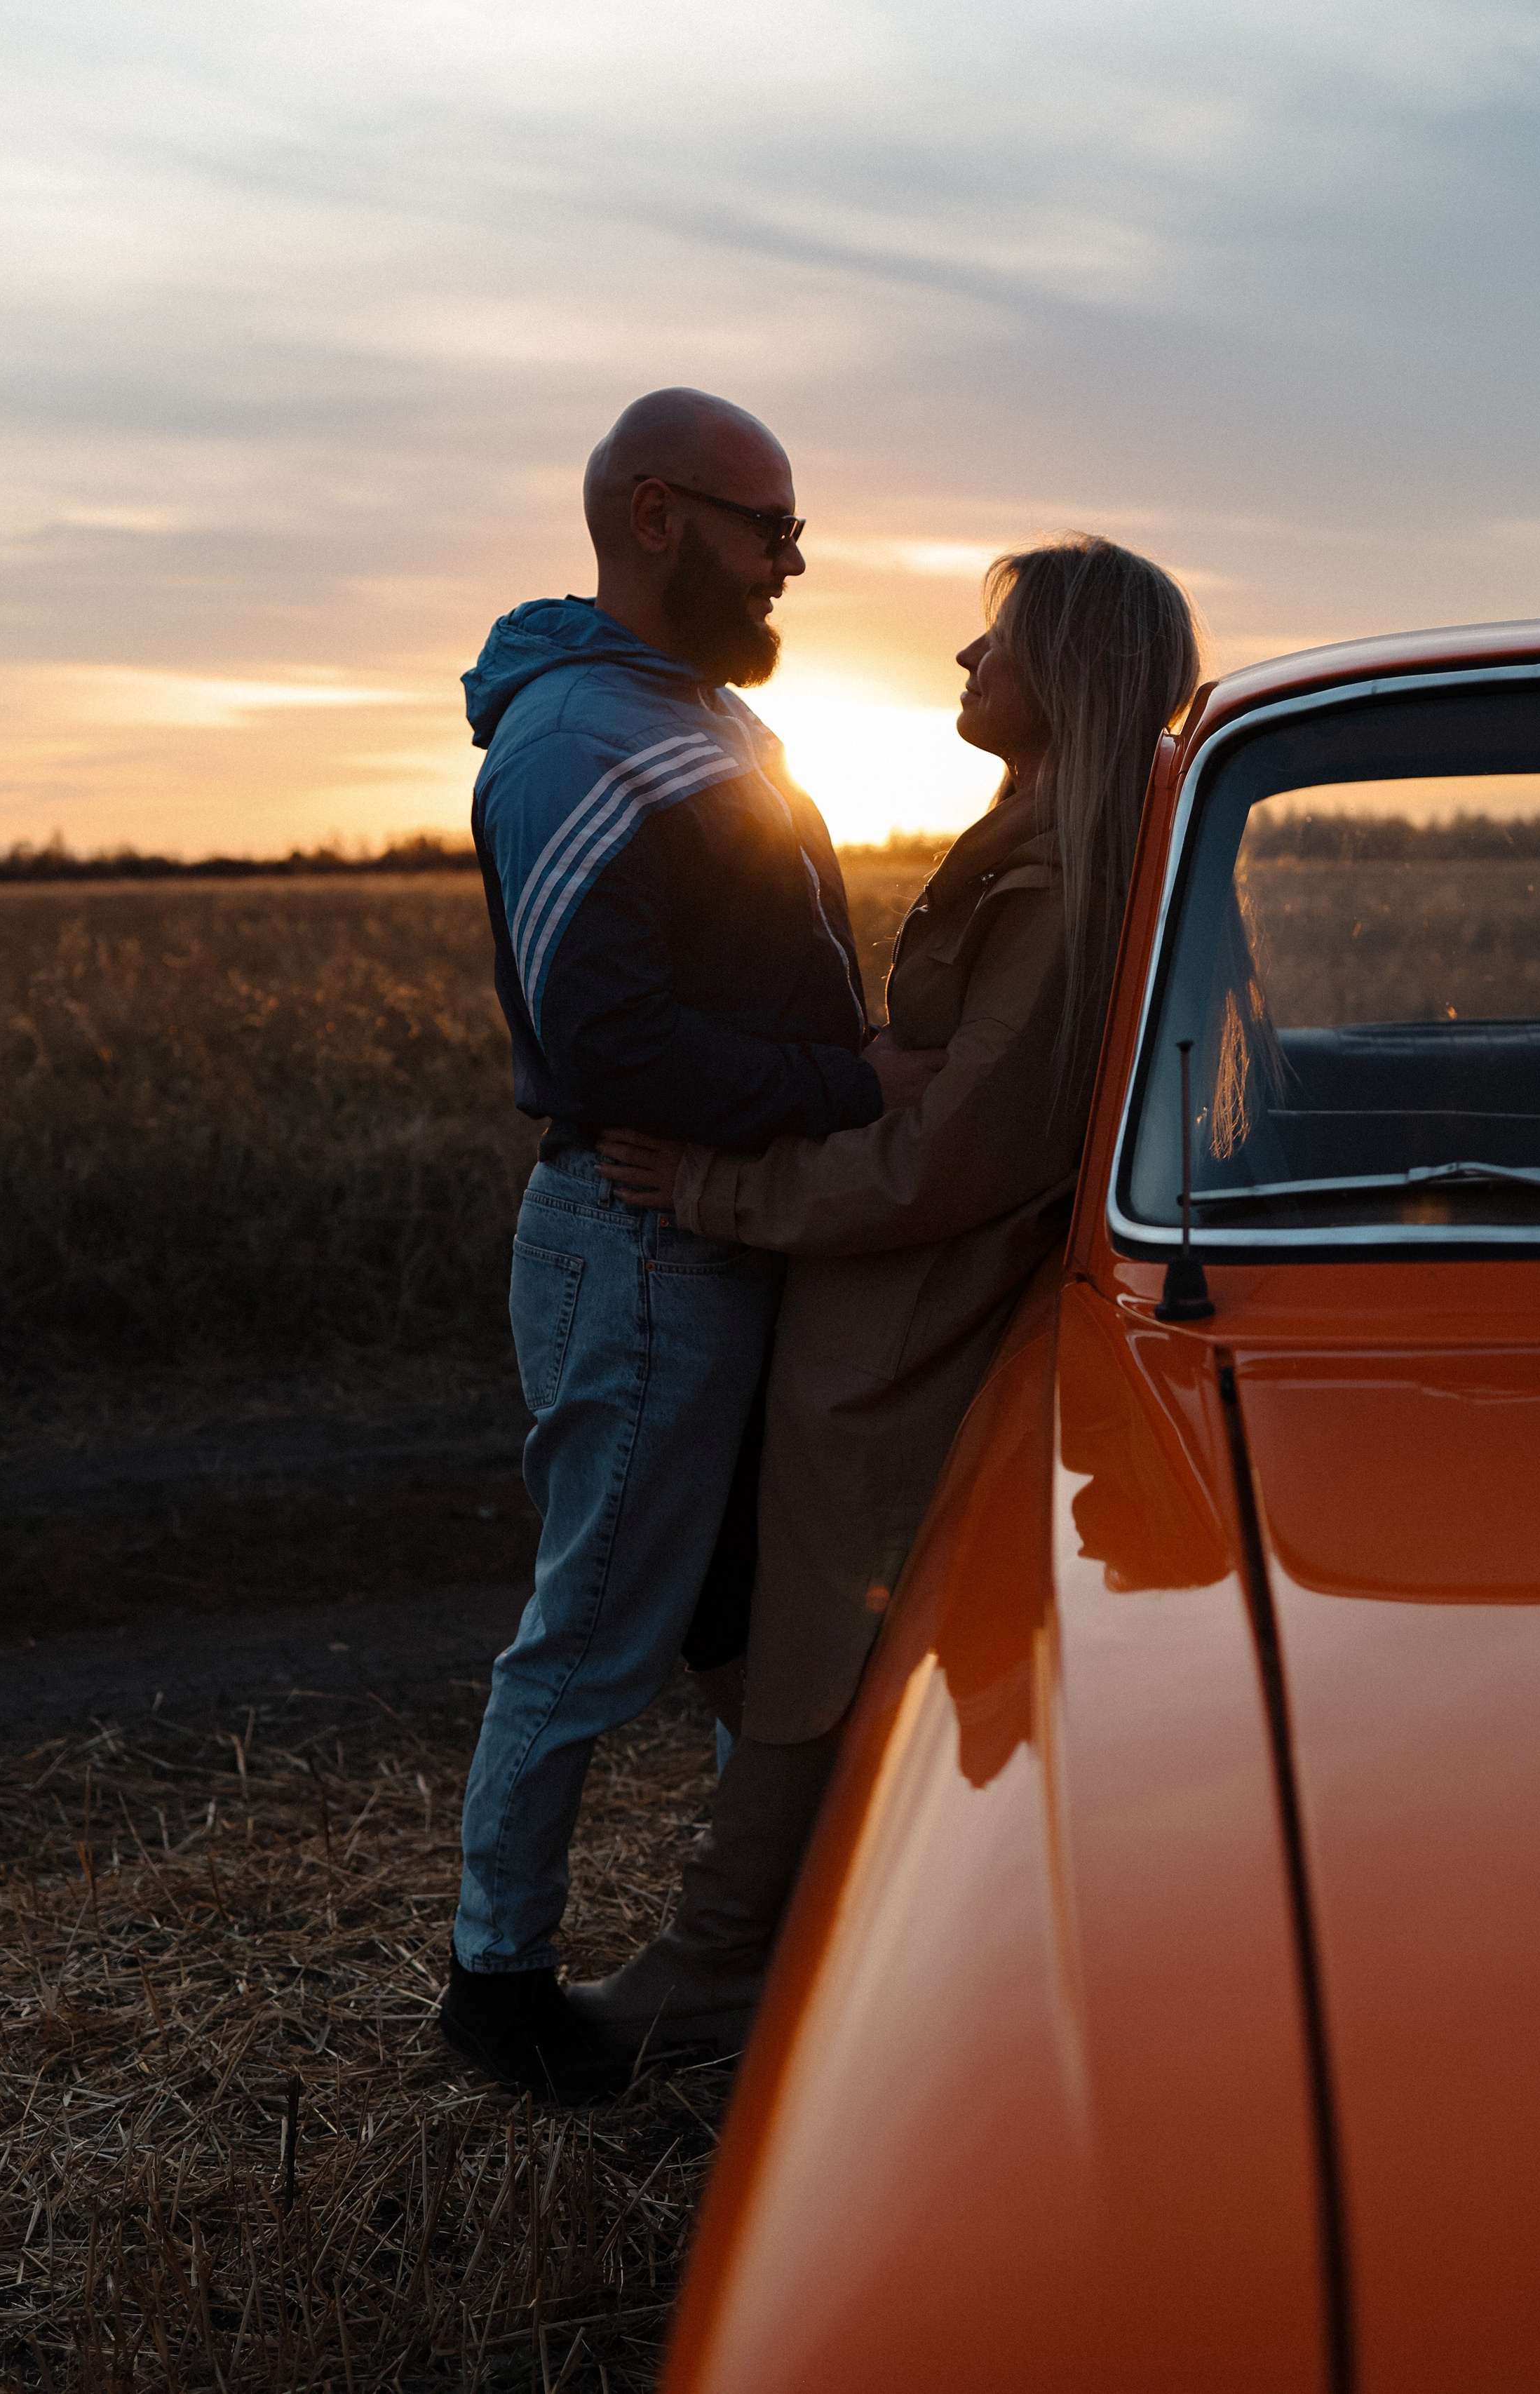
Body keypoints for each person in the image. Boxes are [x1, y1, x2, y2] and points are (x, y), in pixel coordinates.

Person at [574, 534, 1201, 2055]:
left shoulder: (1055, 880)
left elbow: (941, 1165)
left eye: (997, 641)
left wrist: (715, 1189)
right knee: (819, 1624)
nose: (965, 662)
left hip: (908, 1318)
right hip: (890, 1305)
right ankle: (876, 1923)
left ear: (1069, 674)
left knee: (818, 1631)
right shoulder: (1037, 843)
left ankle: (726, 1959)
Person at [441, 387, 943, 2099]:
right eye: (767, 528)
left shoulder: (695, 715)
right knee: (596, 1619)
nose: (790, 564)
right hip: (640, 1241)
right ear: (654, 516)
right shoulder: (582, 736)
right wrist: (847, 1088)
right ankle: (497, 1989)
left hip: (708, 1228)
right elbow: (609, 1043)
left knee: (743, 1607)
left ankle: (774, 1940)